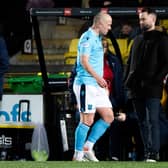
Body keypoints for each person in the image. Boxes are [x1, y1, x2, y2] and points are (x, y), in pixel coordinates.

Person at [124, 7, 168, 162]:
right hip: (135, 88)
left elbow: (166, 63)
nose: (141, 21)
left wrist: (156, 80)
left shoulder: (162, 39)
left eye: (144, 19)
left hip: (152, 87)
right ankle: (148, 151)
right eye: (140, 19)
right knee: (142, 121)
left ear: (153, 19)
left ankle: (154, 153)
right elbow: (130, 63)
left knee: (152, 121)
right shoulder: (137, 39)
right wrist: (126, 81)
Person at [72, 12, 114, 162]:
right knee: (87, 120)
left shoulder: (98, 38)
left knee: (108, 116)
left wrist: (101, 84)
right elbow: (84, 61)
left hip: (97, 86)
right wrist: (99, 79)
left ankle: (87, 147)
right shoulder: (87, 37)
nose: (110, 27)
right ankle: (77, 156)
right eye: (108, 24)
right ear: (99, 23)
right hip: (86, 83)